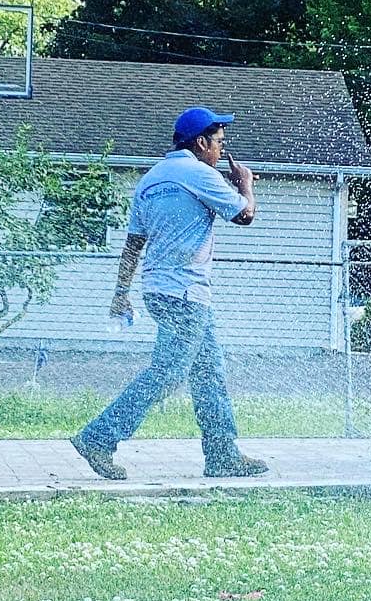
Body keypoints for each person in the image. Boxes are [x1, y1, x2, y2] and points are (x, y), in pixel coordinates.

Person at [71, 106, 268, 481]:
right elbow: (245, 215)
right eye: (220, 144)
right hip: (186, 294)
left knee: (209, 374)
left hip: (159, 291)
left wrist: (120, 292)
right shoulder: (198, 173)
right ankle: (99, 437)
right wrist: (244, 183)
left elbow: (133, 244)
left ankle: (223, 455)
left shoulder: (150, 179)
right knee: (167, 373)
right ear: (201, 142)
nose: (221, 152)